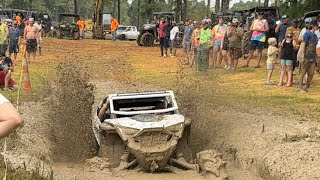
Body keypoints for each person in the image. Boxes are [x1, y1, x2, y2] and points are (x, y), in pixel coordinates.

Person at [299, 20, 318, 93]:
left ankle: (306, 86)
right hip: (306, 56)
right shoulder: (307, 34)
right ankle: (301, 88)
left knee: (311, 73)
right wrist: (303, 55)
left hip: (312, 57)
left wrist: (315, 57)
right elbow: (303, 44)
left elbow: (314, 47)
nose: (317, 27)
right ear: (313, 25)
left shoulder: (315, 36)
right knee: (303, 72)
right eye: (316, 25)